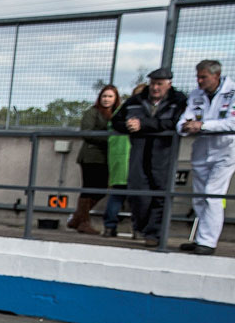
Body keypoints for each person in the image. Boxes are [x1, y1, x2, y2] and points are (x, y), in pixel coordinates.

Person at [110, 67, 188, 247]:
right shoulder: (136, 100)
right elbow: (116, 120)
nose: (155, 88)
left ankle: (154, 234)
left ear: (169, 84)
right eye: (153, 83)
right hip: (139, 151)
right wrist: (127, 125)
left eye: (159, 84)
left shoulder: (178, 101)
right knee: (137, 192)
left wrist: (144, 124)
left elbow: (175, 122)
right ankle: (143, 227)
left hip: (163, 153)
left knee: (160, 193)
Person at [176, 59, 235, 256]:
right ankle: (202, 237)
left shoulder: (233, 92)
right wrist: (185, 127)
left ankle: (208, 242)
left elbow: (232, 123)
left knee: (212, 194)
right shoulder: (196, 95)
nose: (199, 81)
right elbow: (184, 119)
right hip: (201, 151)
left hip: (225, 151)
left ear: (216, 76)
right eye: (198, 77)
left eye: (204, 77)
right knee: (200, 197)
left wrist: (204, 126)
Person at [68, 85, 119, 235]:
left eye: (110, 96)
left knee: (101, 189)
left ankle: (77, 218)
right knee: (89, 188)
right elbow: (87, 132)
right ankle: (83, 222)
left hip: (106, 158)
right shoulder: (92, 112)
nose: (107, 99)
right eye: (104, 96)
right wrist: (109, 139)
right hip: (91, 156)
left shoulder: (116, 113)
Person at [102, 86, 136, 238]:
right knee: (135, 196)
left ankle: (110, 227)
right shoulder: (132, 113)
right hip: (129, 158)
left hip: (118, 159)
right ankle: (137, 228)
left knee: (118, 193)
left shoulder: (118, 114)